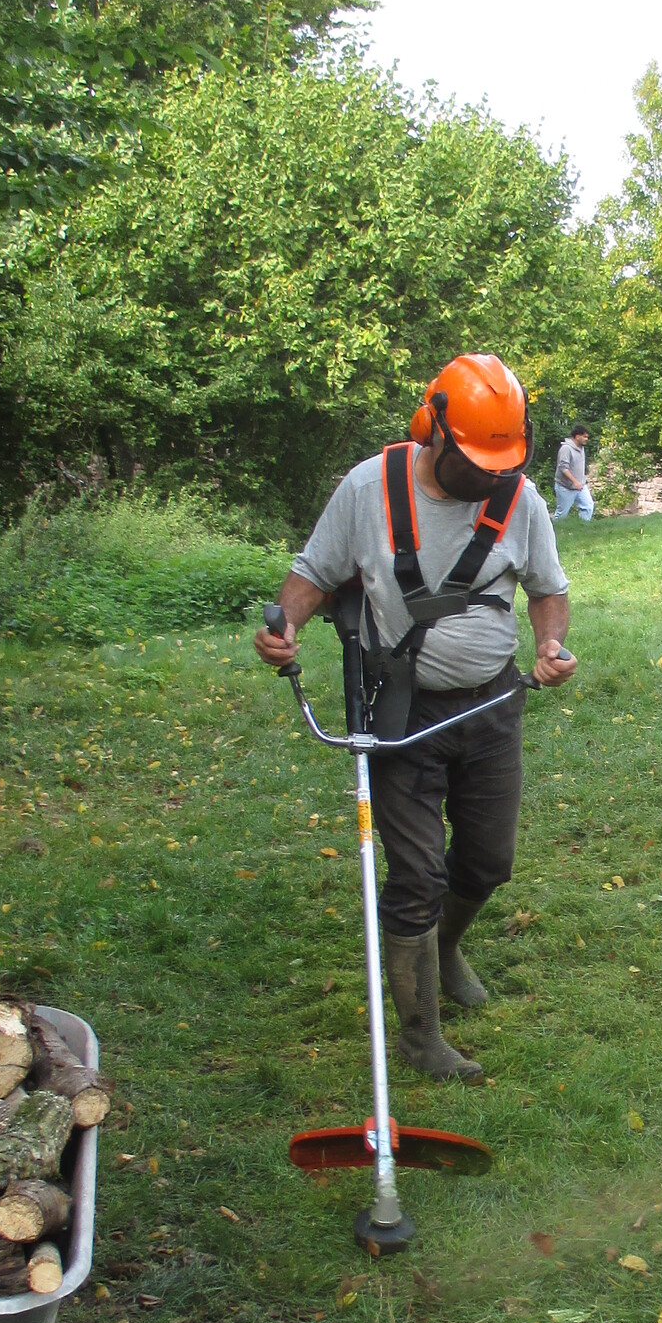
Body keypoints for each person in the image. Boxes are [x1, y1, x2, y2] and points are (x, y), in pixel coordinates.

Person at [255, 354, 576, 1082]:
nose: (491, 478)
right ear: (431, 430)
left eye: (503, 464)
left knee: (489, 861)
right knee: (416, 875)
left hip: (493, 703)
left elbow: (547, 588)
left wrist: (551, 644)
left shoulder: (520, 497)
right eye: (477, 463)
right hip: (401, 710)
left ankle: (447, 945)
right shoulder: (367, 489)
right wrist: (286, 629)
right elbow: (314, 572)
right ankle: (420, 1034)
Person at [554, 422, 594, 520]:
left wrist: (582, 480)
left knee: (588, 506)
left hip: (581, 486)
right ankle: (556, 528)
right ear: (577, 436)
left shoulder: (581, 448)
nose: (586, 439)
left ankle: (583, 527)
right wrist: (575, 481)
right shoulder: (566, 448)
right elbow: (563, 468)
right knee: (561, 515)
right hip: (565, 487)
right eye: (584, 437)